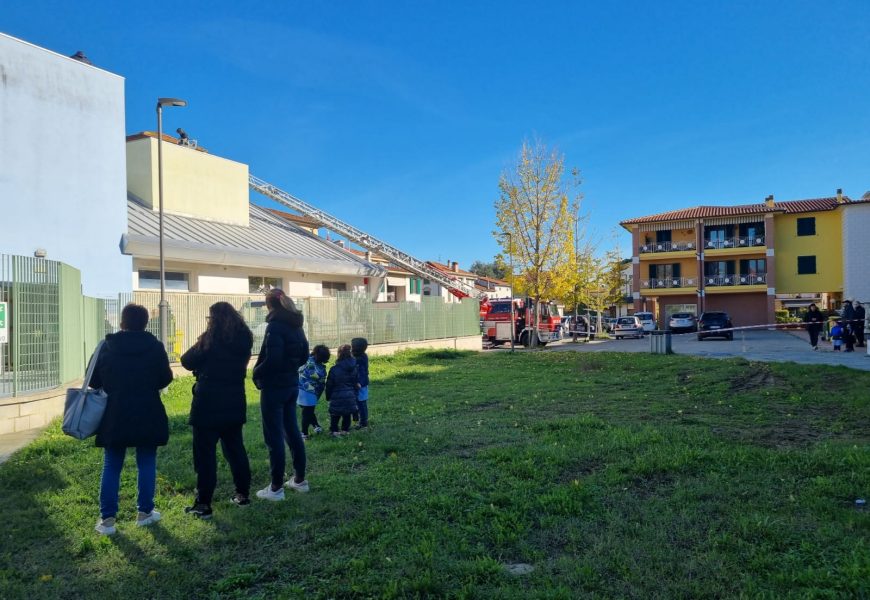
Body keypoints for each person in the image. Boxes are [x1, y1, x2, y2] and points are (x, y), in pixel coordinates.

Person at [90, 303, 173, 535]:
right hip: (148, 410)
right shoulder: (155, 347)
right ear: (146, 323)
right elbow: (165, 378)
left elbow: (94, 381)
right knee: (146, 461)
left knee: (112, 464)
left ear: (122, 322)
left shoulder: (107, 346)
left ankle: (107, 521)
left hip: (115, 413)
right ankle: (145, 513)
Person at [180, 302, 254, 519]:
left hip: (208, 402)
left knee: (205, 456)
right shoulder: (245, 338)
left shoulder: (210, 339)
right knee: (236, 450)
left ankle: (203, 503)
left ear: (214, 319)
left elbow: (186, 361)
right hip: (234, 400)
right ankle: (242, 494)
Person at [252, 289, 310, 500]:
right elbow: (304, 354)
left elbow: (273, 359)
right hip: (291, 384)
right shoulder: (297, 325)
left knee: (274, 436)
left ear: (269, 306)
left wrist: (257, 372)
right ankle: (299, 480)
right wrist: (291, 367)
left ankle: (276, 488)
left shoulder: (275, 326)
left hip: (274, 387)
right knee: (292, 431)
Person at [325, 344, 358, 437]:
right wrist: (354, 395)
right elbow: (355, 383)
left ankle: (334, 430)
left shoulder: (334, 369)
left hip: (336, 396)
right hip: (350, 396)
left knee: (335, 414)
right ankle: (345, 429)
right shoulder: (354, 368)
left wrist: (328, 396)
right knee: (347, 414)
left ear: (339, 354)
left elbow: (329, 385)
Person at [298, 345, 330, 439]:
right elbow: (321, 384)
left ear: (315, 353)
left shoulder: (307, 360)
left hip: (302, 389)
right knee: (308, 411)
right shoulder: (322, 370)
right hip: (311, 392)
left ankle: (304, 433)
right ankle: (316, 427)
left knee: (306, 412)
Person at [351, 338, 370, 429]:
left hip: (360, 385)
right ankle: (358, 420)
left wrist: (360, 383)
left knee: (361, 403)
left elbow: (363, 373)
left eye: (352, 346)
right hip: (356, 384)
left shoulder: (360, 359)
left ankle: (363, 422)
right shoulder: (359, 356)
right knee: (357, 403)